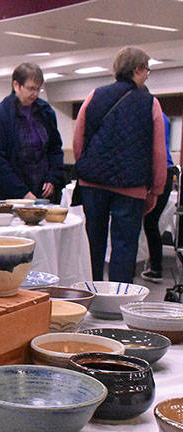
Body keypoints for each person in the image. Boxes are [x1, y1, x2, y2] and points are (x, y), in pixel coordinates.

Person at [73, 46, 166, 283]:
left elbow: (79, 139)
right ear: (137, 69)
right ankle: (119, 302)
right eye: (147, 70)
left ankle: (89, 293)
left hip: (92, 183)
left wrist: (84, 169)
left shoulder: (94, 96)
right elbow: (158, 151)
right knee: (124, 246)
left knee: (93, 241)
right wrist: (156, 189)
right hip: (131, 186)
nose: (147, 75)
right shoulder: (150, 103)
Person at [0, 63, 64, 200]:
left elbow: (55, 149)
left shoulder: (45, 111)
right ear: (16, 85)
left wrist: (52, 178)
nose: (35, 94)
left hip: (41, 188)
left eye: (38, 89)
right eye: (30, 88)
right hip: (8, 192)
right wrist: (22, 192)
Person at [142, 114, 179, 283]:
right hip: (167, 169)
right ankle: (154, 266)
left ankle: (154, 268)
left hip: (158, 171)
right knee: (151, 222)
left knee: (148, 222)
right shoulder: (163, 116)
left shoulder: (149, 115)